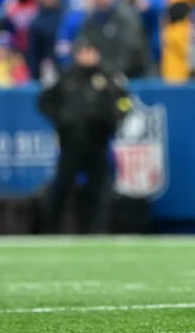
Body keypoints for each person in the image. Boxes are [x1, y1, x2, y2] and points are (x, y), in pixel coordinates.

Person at [37, 38, 132, 233]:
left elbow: (125, 102)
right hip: (71, 141)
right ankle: (52, 229)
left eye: (90, 51)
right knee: (62, 186)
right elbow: (44, 102)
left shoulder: (109, 77)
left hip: (98, 140)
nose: (86, 56)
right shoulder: (66, 77)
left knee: (98, 189)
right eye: (82, 52)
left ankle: (94, 229)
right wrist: (62, 118)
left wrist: (115, 118)